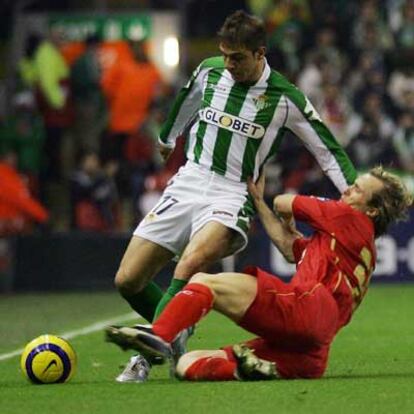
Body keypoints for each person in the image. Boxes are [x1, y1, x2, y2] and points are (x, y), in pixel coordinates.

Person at [111, 10, 356, 382]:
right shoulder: (211, 71)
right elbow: (186, 101)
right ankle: (178, 329)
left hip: (232, 194)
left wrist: (354, 197)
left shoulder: (284, 98)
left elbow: (327, 150)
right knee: (128, 280)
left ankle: (148, 353)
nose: (229, 65)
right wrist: (167, 137)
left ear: (260, 54)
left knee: (189, 263)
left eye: (237, 58)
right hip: (189, 180)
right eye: (225, 55)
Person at [106, 166, 412, 381]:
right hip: (313, 351)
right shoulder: (352, 247)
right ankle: (247, 369)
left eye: (357, 189)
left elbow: (285, 202)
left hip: (308, 307)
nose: (347, 190)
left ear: (371, 210)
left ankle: (160, 336)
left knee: (203, 282)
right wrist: (257, 202)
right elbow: (286, 243)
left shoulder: (346, 217)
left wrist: (283, 209)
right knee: (188, 365)